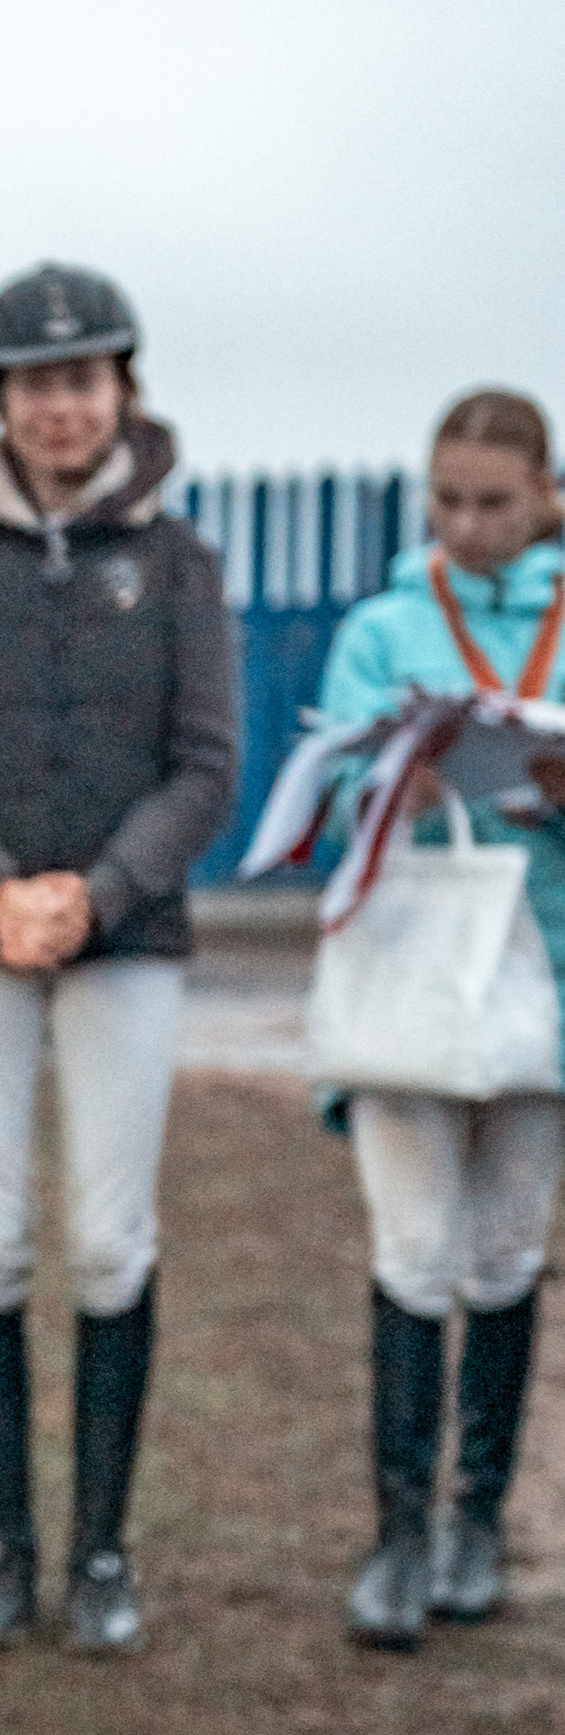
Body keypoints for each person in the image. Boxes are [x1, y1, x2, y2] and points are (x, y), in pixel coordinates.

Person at [0, 262, 237, 1652]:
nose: (61, 404)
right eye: (34, 382)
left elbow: (206, 765)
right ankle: (2, 1544)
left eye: (83, 378)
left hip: (126, 941)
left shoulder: (183, 562)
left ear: (123, 391)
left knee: (112, 1239)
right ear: (3, 402)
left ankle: (103, 1553)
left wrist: (101, 890)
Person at [317, 389, 565, 1646]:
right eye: (447, 499)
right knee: (413, 1249)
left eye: (494, 502)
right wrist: (398, 777)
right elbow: (335, 783)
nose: (466, 524)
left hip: (547, 982)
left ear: (547, 497)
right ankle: (398, 1534)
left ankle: (479, 1517)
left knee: (506, 1253)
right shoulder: (383, 625)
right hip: (411, 972)